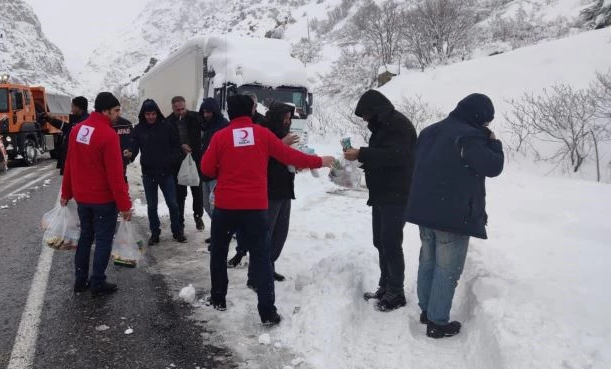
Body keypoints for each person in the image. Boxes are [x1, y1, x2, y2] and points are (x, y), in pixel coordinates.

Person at [201, 94, 334, 325]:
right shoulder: (262, 134)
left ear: (229, 112)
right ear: (250, 112)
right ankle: (267, 312)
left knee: (219, 253)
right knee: (262, 258)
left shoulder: (220, 136)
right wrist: (319, 161)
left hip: (226, 207)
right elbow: (289, 156)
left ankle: (218, 299)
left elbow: (207, 169)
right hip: (255, 208)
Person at [406, 94, 504, 339]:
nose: (486, 127)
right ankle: (437, 323)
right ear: (478, 117)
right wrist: (494, 143)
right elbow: (493, 167)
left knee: (428, 262)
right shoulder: (470, 137)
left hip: (424, 210)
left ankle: (427, 311)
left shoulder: (429, 131)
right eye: (486, 122)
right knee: (446, 269)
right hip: (453, 216)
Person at [344, 89, 417, 312]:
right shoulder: (384, 125)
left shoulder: (398, 126)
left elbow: (396, 157)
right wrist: (361, 162)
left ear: (376, 110)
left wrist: (362, 154)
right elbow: (383, 155)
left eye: (365, 114)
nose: (365, 119)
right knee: (381, 241)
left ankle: (396, 292)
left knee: (391, 243)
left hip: (397, 194)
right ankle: (385, 286)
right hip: (382, 193)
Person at [60, 92, 132, 297]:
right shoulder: (108, 135)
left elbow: (69, 163)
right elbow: (116, 176)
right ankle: (98, 281)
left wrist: (66, 192)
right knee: (103, 240)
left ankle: (80, 281)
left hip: (83, 198)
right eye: (116, 111)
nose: (118, 115)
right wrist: (125, 206)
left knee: (85, 238)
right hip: (103, 200)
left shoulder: (77, 130)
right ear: (105, 110)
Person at [125, 99, 186, 245]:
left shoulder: (168, 127)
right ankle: (155, 232)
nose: (151, 117)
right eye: (148, 114)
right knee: (152, 206)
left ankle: (177, 231)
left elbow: (176, 147)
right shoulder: (139, 129)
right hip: (149, 174)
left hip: (166, 173)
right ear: (143, 114)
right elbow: (134, 146)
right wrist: (130, 153)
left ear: (157, 113)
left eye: (153, 114)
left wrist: (170, 160)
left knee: (173, 204)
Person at [258, 102, 301, 283]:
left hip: (285, 188)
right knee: (267, 233)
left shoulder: (285, 134)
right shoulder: (264, 132)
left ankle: (269, 265)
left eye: (289, 118)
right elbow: (262, 156)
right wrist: (282, 144)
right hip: (269, 190)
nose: (288, 121)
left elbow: (285, 157)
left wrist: (297, 162)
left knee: (280, 233)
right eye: (285, 118)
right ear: (276, 117)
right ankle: (258, 272)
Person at [166, 96, 205, 231]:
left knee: (197, 190)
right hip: (178, 161)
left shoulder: (195, 117)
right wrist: (181, 145)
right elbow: (168, 142)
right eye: (178, 110)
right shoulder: (169, 122)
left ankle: (198, 215)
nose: (181, 112)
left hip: (195, 158)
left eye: (183, 109)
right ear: (173, 108)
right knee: (180, 194)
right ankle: (180, 221)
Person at [198, 98, 229, 244]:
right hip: (205, 173)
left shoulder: (223, 126)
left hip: (217, 174)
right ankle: (221, 231)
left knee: (215, 206)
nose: (206, 114)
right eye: (204, 111)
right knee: (206, 205)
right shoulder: (204, 125)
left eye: (208, 111)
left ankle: (220, 234)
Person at [48, 96, 89, 175]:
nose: (71, 109)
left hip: (79, 164)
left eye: (73, 107)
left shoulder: (85, 122)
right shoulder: (76, 120)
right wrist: (50, 120)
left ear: (79, 108)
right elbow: (66, 127)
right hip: (72, 162)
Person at [112, 115, 134, 181]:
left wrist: (130, 152)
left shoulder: (126, 124)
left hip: (121, 159)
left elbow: (132, 140)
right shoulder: (127, 123)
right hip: (119, 159)